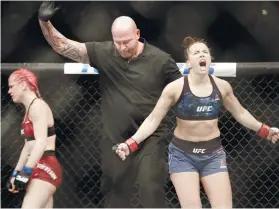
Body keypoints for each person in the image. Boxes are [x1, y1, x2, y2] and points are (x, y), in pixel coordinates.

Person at [38, 1, 182, 208]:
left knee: (150, 186)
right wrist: (44, 22)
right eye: (118, 42)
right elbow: (64, 46)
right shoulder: (104, 52)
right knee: (115, 191)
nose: (122, 47)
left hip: (153, 135)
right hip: (115, 136)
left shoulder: (161, 60)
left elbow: (182, 91)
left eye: (126, 42)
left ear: (137, 33)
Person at [114, 36, 279, 208]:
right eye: (196, 53)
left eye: (205, 52)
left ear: (209, 60)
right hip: (183, 156)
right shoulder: (175, 88)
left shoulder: (222, 87)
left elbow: (241, 113)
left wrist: (265, 130)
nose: (201, 55)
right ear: (188, 63)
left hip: (213, 155)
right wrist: (131, 143)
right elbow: (153, 120)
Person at [6, 68, 62, 208]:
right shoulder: (29, 109)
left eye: (12, 86)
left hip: (46, 166)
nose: (9, 91)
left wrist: (25, 172)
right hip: (38, 164)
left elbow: (41, 143)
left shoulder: (38, 107)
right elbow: (28, 146)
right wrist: (16, 173)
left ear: (23, 84)